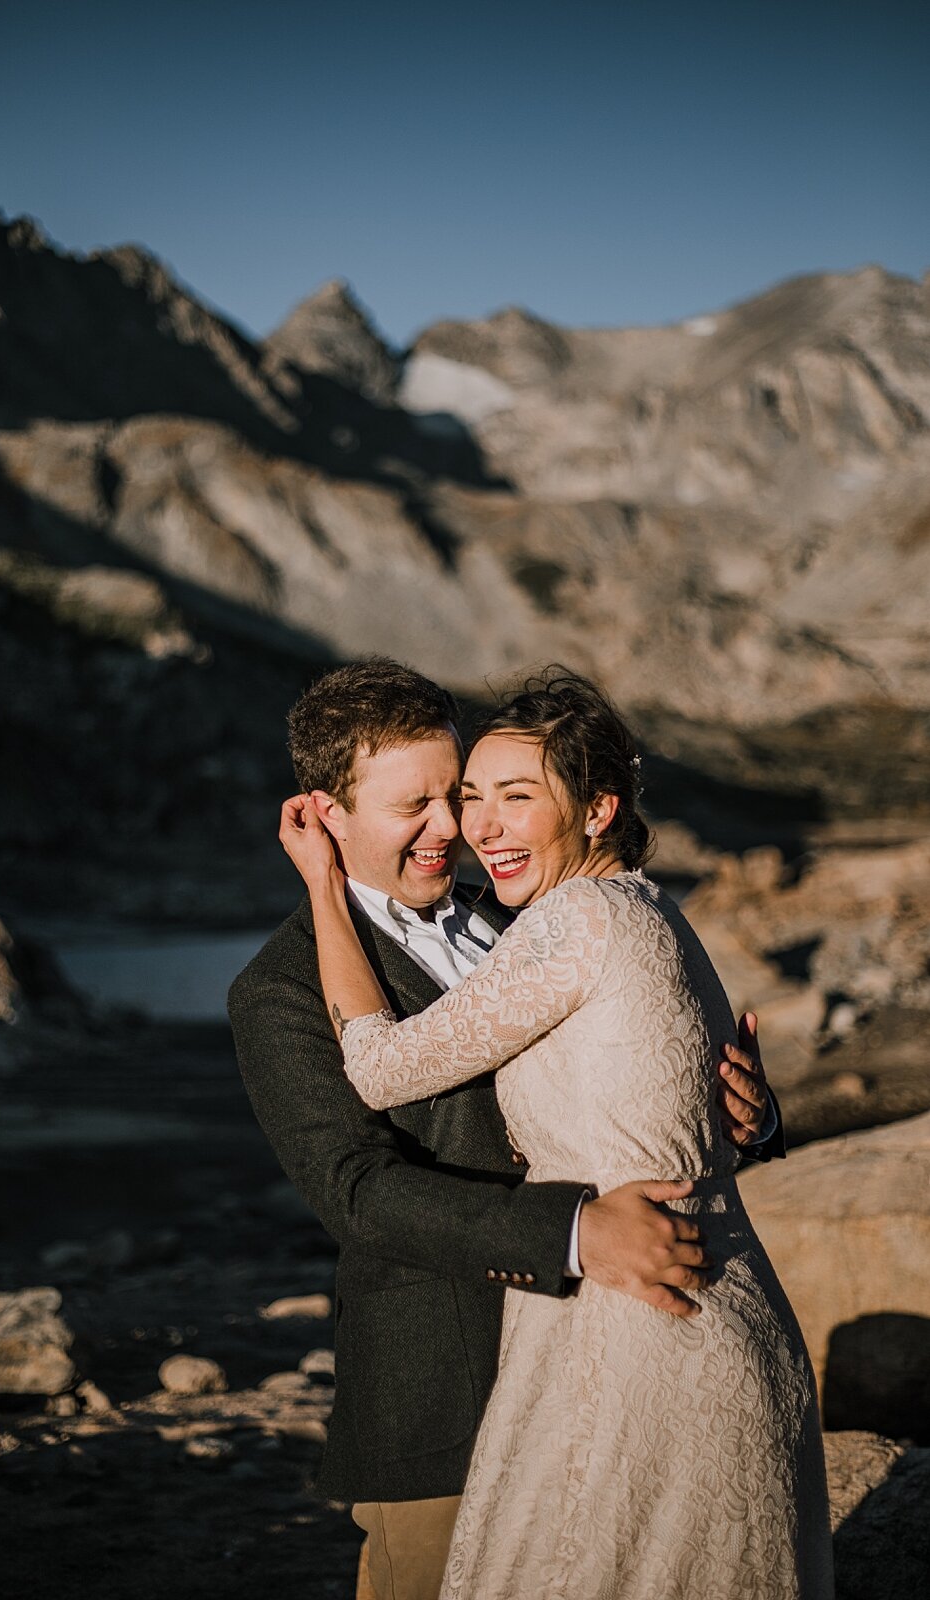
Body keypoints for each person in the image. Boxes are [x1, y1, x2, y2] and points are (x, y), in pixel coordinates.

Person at [228, 658, 782, 1600]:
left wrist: (747, 1116)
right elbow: (359, 1192)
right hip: (449, 1397)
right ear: (325, 814)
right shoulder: (278, 991)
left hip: (611, 1363)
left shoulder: (532, 911)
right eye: (417, 806)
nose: (453, 830)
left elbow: (628, 1087)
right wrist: (574, 1231)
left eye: (458, 795)